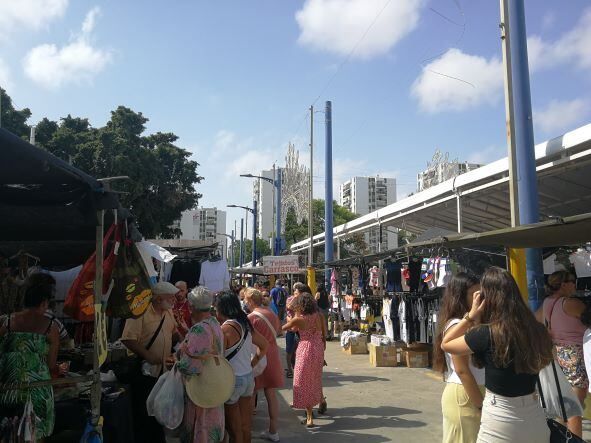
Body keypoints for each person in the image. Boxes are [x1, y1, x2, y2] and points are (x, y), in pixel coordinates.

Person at [442, 267, 553, 442]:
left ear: (487, 299)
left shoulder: (486, 333)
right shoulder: (537, 330)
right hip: (534, 414)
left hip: (500, 416)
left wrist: (471, 316)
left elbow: (446, 343)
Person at [0, 273, 60, 441]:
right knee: (35, 435)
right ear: (44, 302)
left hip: (8, 391)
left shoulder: (7, 323)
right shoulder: (50, 327)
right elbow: (51, 364)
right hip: (38, 393)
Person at [121, 281, 180, 443]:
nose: (174, 299)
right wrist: (147, 355)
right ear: (159, 298)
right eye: (170, 297)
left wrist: (179, 349)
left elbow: (174, 333)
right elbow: (128, 339)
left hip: (163, 372)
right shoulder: (140, 313)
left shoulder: (168, 313)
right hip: (145, 371)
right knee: (144, 411)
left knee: (158, 410)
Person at [433, 273, 484, 443]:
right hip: (466, 394)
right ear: (460, 297)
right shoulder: (457, 324)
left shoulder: (469, 322)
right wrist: (480, 404)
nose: (479, 299)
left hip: (472, 391)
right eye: (474, 294)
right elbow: (462, 370)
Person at [216, 291, 268, 443]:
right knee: (245, 425)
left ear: (222, 308)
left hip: (232, 380)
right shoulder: (245, 323)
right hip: (248, 378)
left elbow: (218, 359)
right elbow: (264, 346)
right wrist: (251, 365)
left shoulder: (225, 329)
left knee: (234, 428)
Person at [541, 270, 587, 437]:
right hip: (576, 355)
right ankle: (574, 440)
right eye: (572, 281)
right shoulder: (571, 303)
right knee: (576, 406)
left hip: (558, 353)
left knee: (565, 405)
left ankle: (561, 438)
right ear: (562, 284)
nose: (575, 284)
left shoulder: (548, 302)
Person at [177, 286, 225, 443]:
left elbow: (190, 366)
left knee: (201, 430)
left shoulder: (200, 329)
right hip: (213, 386)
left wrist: (177, 360)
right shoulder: (214, 323)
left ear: (191, 307)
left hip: (200, 391)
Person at [244, 288, 284, 442]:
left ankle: (247, 429)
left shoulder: (251, 318)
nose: (246, 304)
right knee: (271, 394)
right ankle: (273, 431)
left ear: (251, 301)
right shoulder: (272, 314)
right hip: (273, 356)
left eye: (247, 301)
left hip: (258, 357)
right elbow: (279, 331)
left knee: (250, 393)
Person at [282, 292, 326, 428]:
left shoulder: (298, 319)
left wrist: (291, 315)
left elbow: (283, 328)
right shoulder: (319, 315)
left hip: (305, 348)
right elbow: (324, 333)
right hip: (318, 347)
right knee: (315, 377)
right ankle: (321, 400)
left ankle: (309, 416)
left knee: (303, 380)